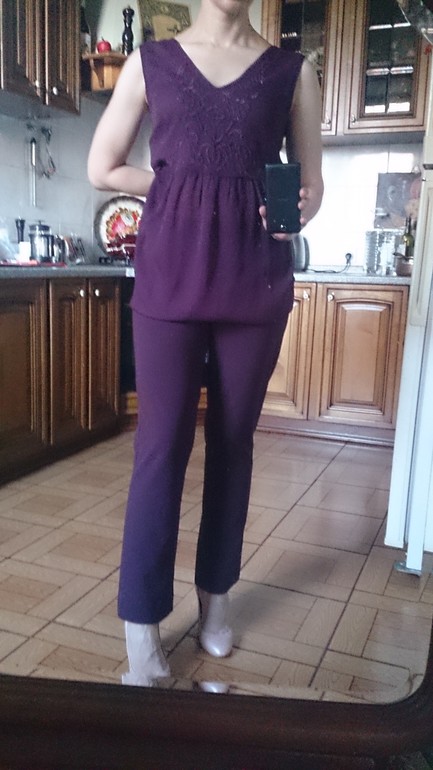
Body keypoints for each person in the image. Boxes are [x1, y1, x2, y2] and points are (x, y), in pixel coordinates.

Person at [88, 0, 323, 687]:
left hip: (255, 279)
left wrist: (295, 207)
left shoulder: (293, 72)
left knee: (232, 444)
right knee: (159, 448)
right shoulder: (150, 63)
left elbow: (311, 188)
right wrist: (175, 185)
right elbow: (103, 167)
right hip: (170, 277)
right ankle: (141, 627)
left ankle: (215, 603)